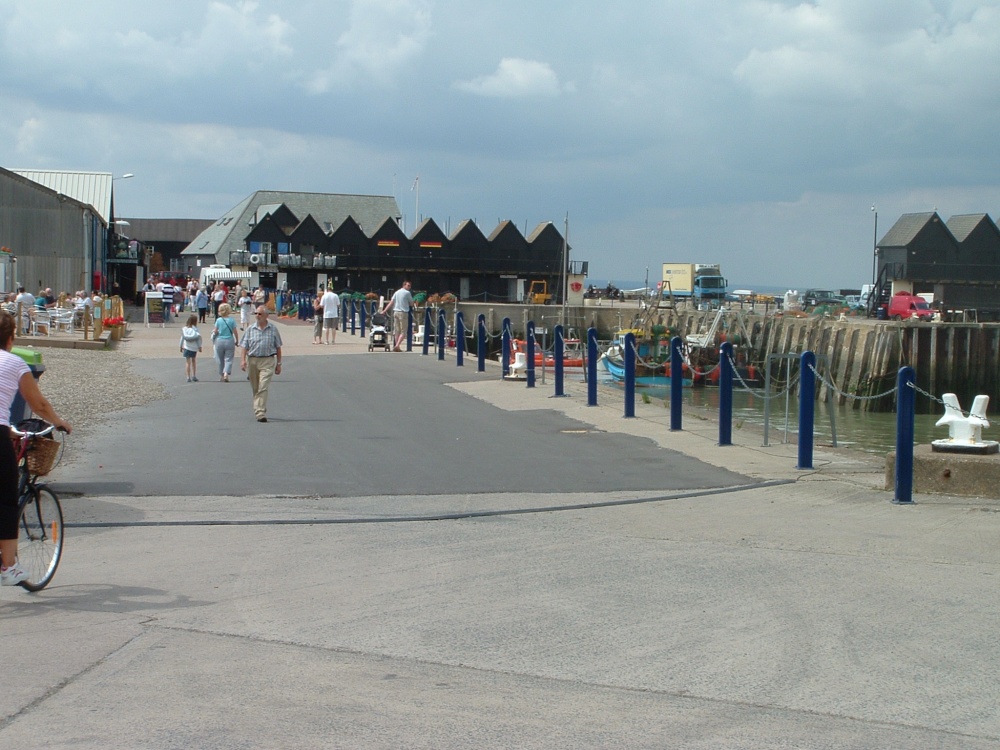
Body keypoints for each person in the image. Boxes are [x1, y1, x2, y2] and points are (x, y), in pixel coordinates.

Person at [0, 310, 72, 585]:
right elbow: (39, 405)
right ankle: (9, 567)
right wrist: (60, 422)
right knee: (6, 502)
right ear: (10, 338)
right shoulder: (14, 363)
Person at [239, 306, 282, 422]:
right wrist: (242, 360)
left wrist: (279, 364)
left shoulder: (273, 329)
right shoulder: (250, 329)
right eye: (256, 314)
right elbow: (244, 346)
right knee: (256, 387)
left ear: (267, 316)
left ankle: (260, 412)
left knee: (263, 386)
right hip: (253, 360)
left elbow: (278, 347)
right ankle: (259, 406)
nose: (257, 316)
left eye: (260, 314)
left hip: (267, 360)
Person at [380, 280, 413, 352]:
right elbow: (411, 303)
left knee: (397, 330)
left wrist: (384, 311)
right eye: (408, 285)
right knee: (404, 331)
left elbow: (391, 302)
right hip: (403, 312)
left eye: (410, 286)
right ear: (404, 285)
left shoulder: (397, 292)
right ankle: (397, 345)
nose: (409, 287)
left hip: (395, 312)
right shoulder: (408, 293)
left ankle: (396, 346)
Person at [212, 303, 239, 382]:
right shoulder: (231, 320)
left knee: (220, 359)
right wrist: (237, 340)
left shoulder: (218, 320)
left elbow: (216, 331)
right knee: (228, 358)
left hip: (219, 340)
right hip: (229, 340)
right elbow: (235, 331)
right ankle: (226, 373)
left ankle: (221, 374)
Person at [179, 314, 203, 382]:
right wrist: (200, 346)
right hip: (194, 347)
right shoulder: (195, 329)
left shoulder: (184, 329)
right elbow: (198, 339)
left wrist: (180, 346)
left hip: (186, 347)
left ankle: (188, 377)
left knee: (187, 362)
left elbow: (182, 338)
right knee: (193, 361)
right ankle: (194, 375)